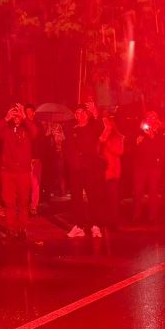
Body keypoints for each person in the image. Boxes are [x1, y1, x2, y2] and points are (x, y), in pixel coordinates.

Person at [0, 103, 38, 241]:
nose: (16, 117)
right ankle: (11, 228)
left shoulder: (27, 128)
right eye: (14, 114)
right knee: (9, 202)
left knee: (24, 202)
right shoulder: (6, 129)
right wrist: (6, 118)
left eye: (18, 114)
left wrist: (25, 117)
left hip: (23, 172)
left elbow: (35, 133)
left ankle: (22, 228)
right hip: (8, 172)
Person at [64, 102, 103, 238]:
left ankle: (95, 226)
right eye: (77, 113)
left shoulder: (92, 128)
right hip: (76, 170)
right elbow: (67, 150)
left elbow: (100, 128)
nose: (79, 115)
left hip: (90, 169)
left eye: (82, 112)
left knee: (93, 197)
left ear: (87, 115)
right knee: (76, 198)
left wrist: (95, 113)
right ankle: (79, 226)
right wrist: (71, 163)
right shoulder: (72, 130)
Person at [132, 113, 165, 222]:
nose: (151, 119)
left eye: (154, 117)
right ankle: (136, 215)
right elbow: (131, 148)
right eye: (149, 117)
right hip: (140, 166)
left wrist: (153, 136)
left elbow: (163, 149)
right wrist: (137, 142)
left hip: (154, 167)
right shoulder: (139, 130)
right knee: (138, 192)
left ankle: (153, 216)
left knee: (153, 192)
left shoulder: (160, 132)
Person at [98, 113, 124, 230]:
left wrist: (106, 143)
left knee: (112, 198)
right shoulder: (100, 136)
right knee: (103, 198)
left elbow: (119, 151)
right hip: (102, 172)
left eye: (106, 122)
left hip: (112, 171)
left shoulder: (117, 136)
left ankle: (114, 222)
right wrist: (100, 141)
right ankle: (104, 220)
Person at [24, 104, 43, 216]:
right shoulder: (23, 125)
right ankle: (24, 205)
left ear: (34, 113)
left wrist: (38, 158)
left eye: (30, 112)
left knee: (35, 184)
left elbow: (40, 143)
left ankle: (33, 206)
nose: (28, 114)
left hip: (35, 159)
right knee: (25, 184)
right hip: (25, 159)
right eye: (26, 112)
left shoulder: (38, 126)